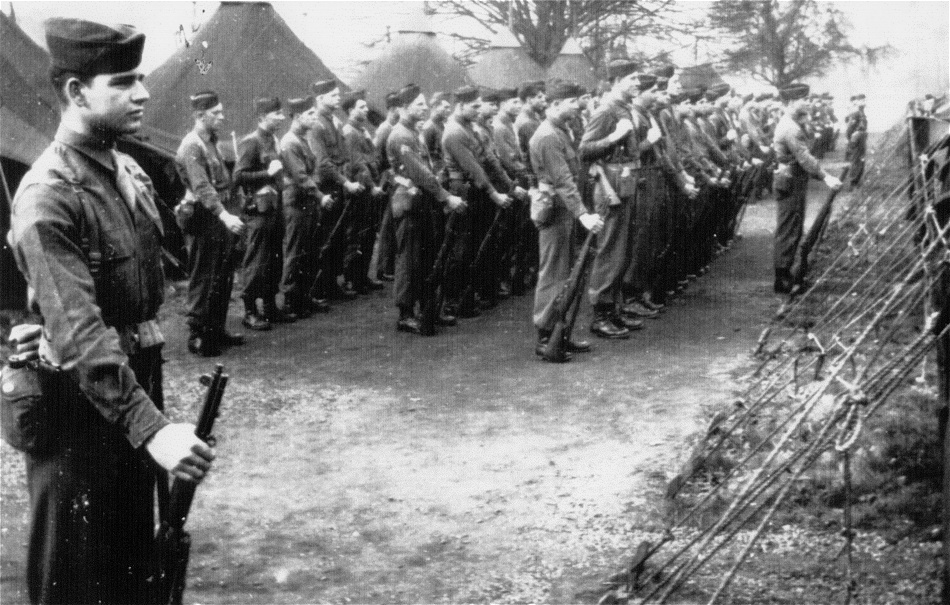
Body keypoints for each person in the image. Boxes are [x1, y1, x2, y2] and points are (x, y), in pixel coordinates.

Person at [8, 17, 214, 604]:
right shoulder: (50, 192)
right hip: (78, 410)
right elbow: (77, 331)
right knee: (75, 580)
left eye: (141, 78)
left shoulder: (123, 168)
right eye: (123, 82)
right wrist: (152, 429)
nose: (143, 93)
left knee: (133, 572)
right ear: (76, 93)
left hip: (128, 392)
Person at [579, 60, 656, 339]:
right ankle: (600, 314)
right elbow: (584, 150)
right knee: (610, 250)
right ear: (616, 81)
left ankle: (614, 308)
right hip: (610, 186)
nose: (638, 83)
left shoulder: (624, 108)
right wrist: (614, 137)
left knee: (623, 249)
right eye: (633, 78)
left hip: (626, 183)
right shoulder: (606, 110)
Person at [529, 81, 604, 360]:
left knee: (565, 271)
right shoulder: (548, 136)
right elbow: (563, 181)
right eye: (572, 101)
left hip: (565, 210)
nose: (577, 105)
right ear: (555, 104)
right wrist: (583, 214)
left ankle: (559, 333)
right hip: (557, 210)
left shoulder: (562, 130)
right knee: (553, 273)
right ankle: (546, 336)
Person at [386, 83, 466, 333]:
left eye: (424, 104)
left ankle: (425, 308)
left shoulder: (413, 132)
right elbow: (419, 174)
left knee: (425, 258)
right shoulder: (400, 135)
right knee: (409, 259)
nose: (424, 108)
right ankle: (406, 314)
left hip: (421, 203)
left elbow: (428, 168)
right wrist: (445, 197)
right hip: (409, 204)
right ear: (402, 108)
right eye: (418, 104)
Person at [176, 90, 246, 356]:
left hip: (219, 218)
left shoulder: (212, 141)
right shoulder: (192, 145)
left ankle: (216, 329)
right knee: (203, 275)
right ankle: (197, 336)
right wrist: (225, 215)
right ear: (199, 115)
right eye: (215, 113)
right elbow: (202, 185)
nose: (221, 117)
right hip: (204, 219)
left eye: (220, 111)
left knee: (223, 274)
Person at [441, 85, 513, 318]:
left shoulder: (469, 127)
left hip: (474, 190)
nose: (478, 110)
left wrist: (507, 185)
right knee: (461, 247)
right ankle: (453, 300)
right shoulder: (454, 132)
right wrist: (494, 194)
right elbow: (474, 169)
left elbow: (488, 158)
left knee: (474, 245)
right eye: (474, 106)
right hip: (462, 189)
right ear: (460, 106)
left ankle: (467, 296)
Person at [772, 84, 842, 294]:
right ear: (792, 103)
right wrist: (825, 177)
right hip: (790, 181)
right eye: (804, 100)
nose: (808, 103)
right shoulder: (790, 128)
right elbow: (804, 157)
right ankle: (783, 278)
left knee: (793, 226)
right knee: (789, 229)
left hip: (793, 180)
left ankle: (785, 274)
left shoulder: (793, 123)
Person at [234, 97, 291, 330]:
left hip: (275, 207)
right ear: (261, 118)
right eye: (275, 114)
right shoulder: (251, 142)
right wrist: (267, 174)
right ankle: (249, 312)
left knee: (275, 258)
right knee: (256, 260)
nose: (281, 117)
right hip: (257, 211)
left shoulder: (274, 140)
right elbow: (238, 176)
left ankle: (270, 307)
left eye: (280, 113)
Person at [309, 79, 363, 302]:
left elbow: (343, 155)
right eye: (332, 95)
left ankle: (331, 284)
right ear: (320, 99)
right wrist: (345, 182)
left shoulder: (335, 121)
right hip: (327, 186)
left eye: (337, 94)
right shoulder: (316, 125)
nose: (337, 98)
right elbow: (322, 163)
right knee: (326, 237)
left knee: (339, 237)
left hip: (339, 184)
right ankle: (319, 287)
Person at [279, 96, 332, 318]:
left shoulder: (302, 139)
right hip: (297, 202)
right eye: (310, 114)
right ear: (298, 116)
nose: (314, 117)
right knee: (295, 252)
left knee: (309, 250)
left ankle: (304, 296)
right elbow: (300, 176)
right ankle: (290, 301)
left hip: (307, 202)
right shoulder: (290, 142)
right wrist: (320, 195)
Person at [341, 91, 386, 294]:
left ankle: (362, 276)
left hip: (368, 189)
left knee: (367, 234)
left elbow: (375, 158)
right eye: (361, 107)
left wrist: (368, 141)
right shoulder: (350, 133)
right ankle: (351, 279)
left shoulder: (361, 132)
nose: (366, 110)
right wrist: (372, 185)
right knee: (356, 235)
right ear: (351, 111)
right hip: (359, 190)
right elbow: (358, 164)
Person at [844, 93, 868, 188]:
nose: (863, 102)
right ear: (857, 102)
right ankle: (853, 181)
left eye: (864, 100)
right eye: (861, 101)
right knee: (856, 160)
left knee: (861, 159)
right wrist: (851, 139)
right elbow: (850, 128)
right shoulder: (855, 112)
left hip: (862, 137)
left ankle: (857, 180)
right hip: (857, 139)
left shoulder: (862, 112)